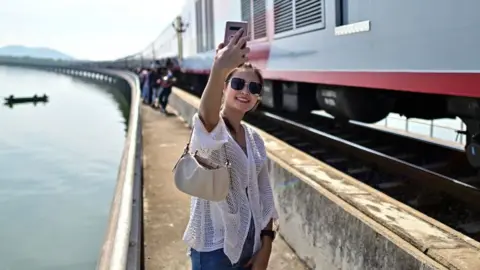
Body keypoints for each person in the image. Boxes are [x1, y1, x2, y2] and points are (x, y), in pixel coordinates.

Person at [183, 28, 278, 270]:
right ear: (224, 88)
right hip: (214, 249)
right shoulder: (212, 130)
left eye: (254, 89)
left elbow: (265, 195)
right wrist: (219, 68)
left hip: (252, 243)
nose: (246, 91)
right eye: (238, 83)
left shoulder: (255, 139)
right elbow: (206, 120)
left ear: (257, 99)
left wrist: (265, 246)